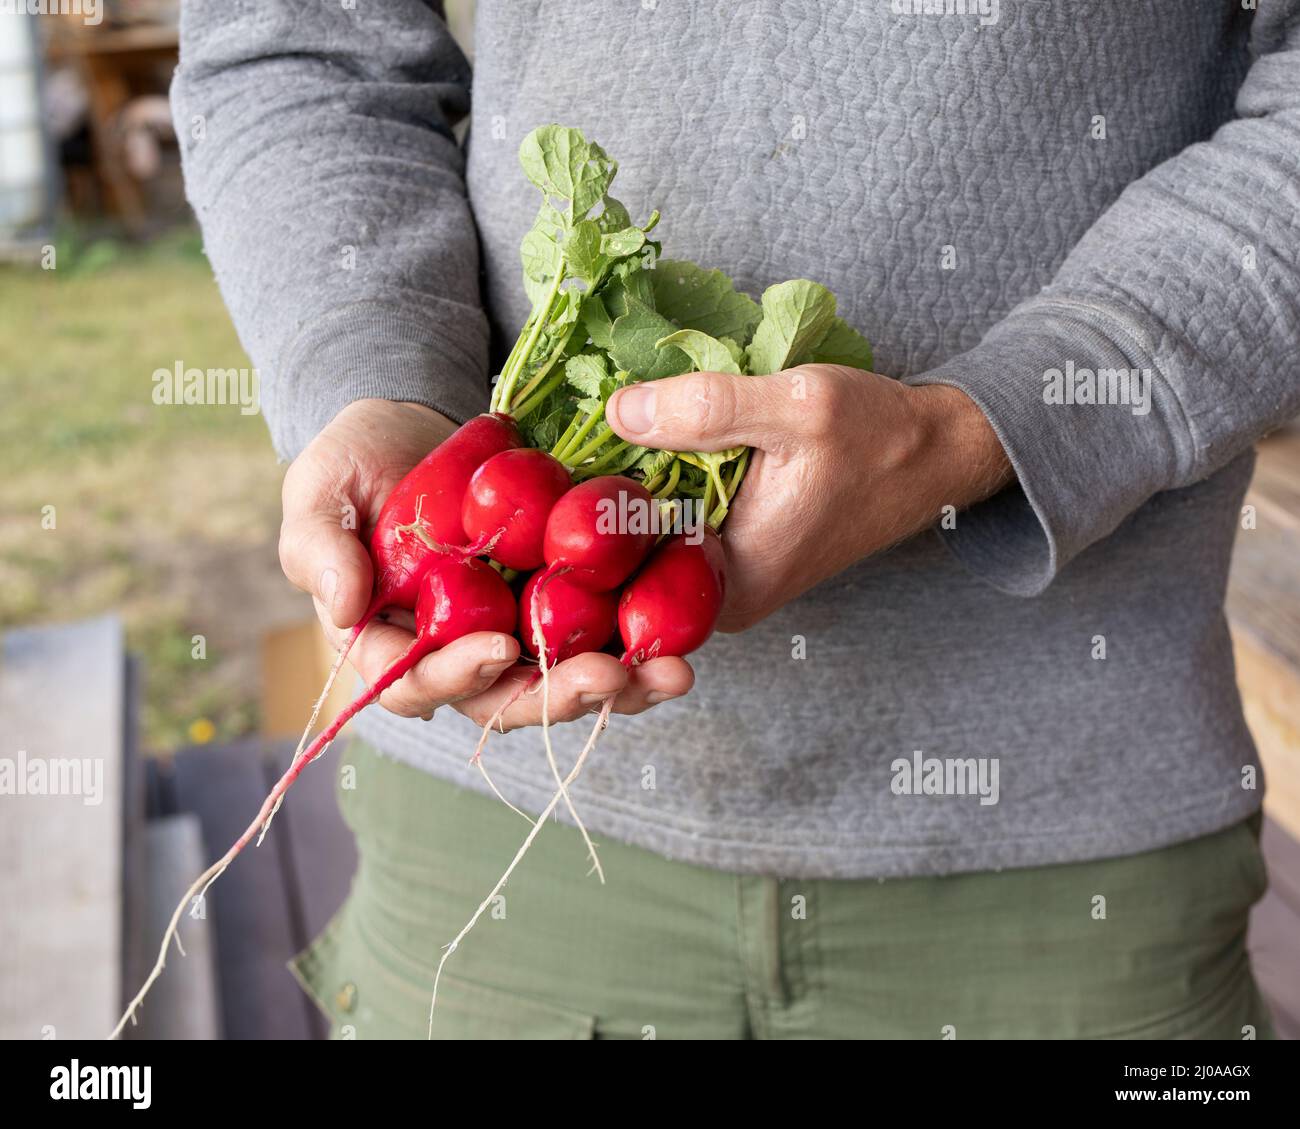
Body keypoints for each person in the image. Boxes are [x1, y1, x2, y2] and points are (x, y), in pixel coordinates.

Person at [172, 0, 1299, 1039]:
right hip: (496, 813)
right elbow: (295, 36)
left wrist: (986, 427)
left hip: (1072, 825)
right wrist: (374, 373)